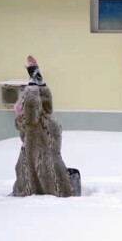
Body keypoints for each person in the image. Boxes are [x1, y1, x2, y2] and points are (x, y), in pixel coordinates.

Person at [11, 55, 81, 197]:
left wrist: (36, 77)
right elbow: (32, 106)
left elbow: (44, 102)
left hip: (48, 173)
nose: (40, 104)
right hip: (42, 175)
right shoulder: (31, 124)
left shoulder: (46, 121)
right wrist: (33, 79)